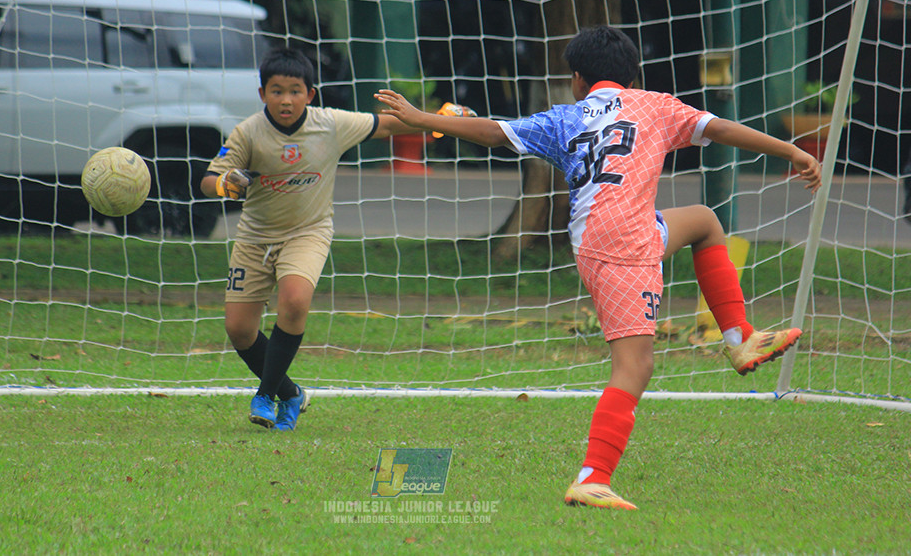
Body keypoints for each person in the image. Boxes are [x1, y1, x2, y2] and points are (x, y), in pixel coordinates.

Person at [374, 26, 822, 509]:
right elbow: (721, 129)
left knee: (704, 222)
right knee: (635, 365)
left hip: (604, 236)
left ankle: (739, 338)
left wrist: (423, 119)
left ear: (577, 78)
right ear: (633, 75)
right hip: (622, 243)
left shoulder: (566, 117)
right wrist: (792, 150)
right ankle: (592, 477)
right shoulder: (656, 105)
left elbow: (492, 131)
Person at [201, 46, 422, 431]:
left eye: (295, 90)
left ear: (310, 95)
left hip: (308, 232)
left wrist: (439, 121)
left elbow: (386, 125)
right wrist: (223, 183)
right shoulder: (248, 132)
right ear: (262, 94)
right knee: (239, 329)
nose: (285, 100)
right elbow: (207, 179)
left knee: (295, 299)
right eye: (276, 90)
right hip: (254, 238)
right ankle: (292, 393)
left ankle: (265, 394)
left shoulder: (331, 124)